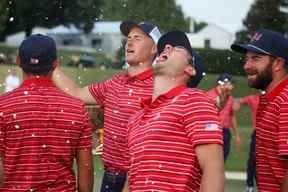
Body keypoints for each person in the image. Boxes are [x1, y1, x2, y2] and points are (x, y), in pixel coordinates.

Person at [52, 21, 161, 192]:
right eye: (129, 38)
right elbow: (76, 92)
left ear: (154, 48)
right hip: (110, 177)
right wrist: (51, 66)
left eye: (137, 38)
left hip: (141, 178)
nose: (129, 43)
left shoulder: (159, 87)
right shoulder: (115, 83)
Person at [127, 31, 224, 191]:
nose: (166, 48)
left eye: (177, 48)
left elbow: (213, 170)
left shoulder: (194, 100)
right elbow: (131, 180)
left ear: (190, 69)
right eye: (163, 48)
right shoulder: (136, 118)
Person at [0, 34, 94, 191]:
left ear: (18, 61)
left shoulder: (3, 106)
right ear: (55, 64)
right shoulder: (76, 108)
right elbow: (86, 168)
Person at [231, 28, 288, 192]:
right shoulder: (270, 99)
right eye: (246, 59)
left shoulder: (285, 101)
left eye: (255, 59)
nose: (246, 65)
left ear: (278, 63)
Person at [207, 73, 241, 162]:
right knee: (212, 160)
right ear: (222, 83)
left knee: (223, 159)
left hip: (225, 131)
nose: (233, 86)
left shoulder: (230, 97)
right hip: (213, 130)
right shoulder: (209, 96)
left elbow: (231, 115)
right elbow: (206, 118)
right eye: (231, 83)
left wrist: (237, 135)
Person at [233, 94, 260, 192]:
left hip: (273, 132)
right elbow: (238, 100)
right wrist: (236, 103)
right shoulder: (254, 98)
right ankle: (250, 185)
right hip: (258, 132)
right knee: (253, 160)